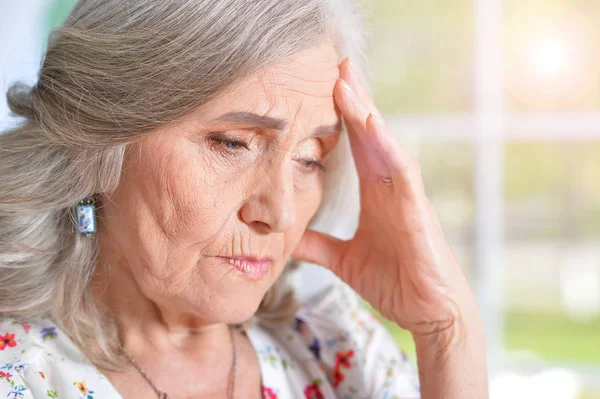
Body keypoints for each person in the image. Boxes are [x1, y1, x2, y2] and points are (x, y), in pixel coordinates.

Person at [0, 0, 488, 398]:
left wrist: (448, 331)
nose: (279, 212)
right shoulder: (19, 375)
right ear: (101, 138)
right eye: (233, 143)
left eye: (310, 158)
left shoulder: (331, 336)